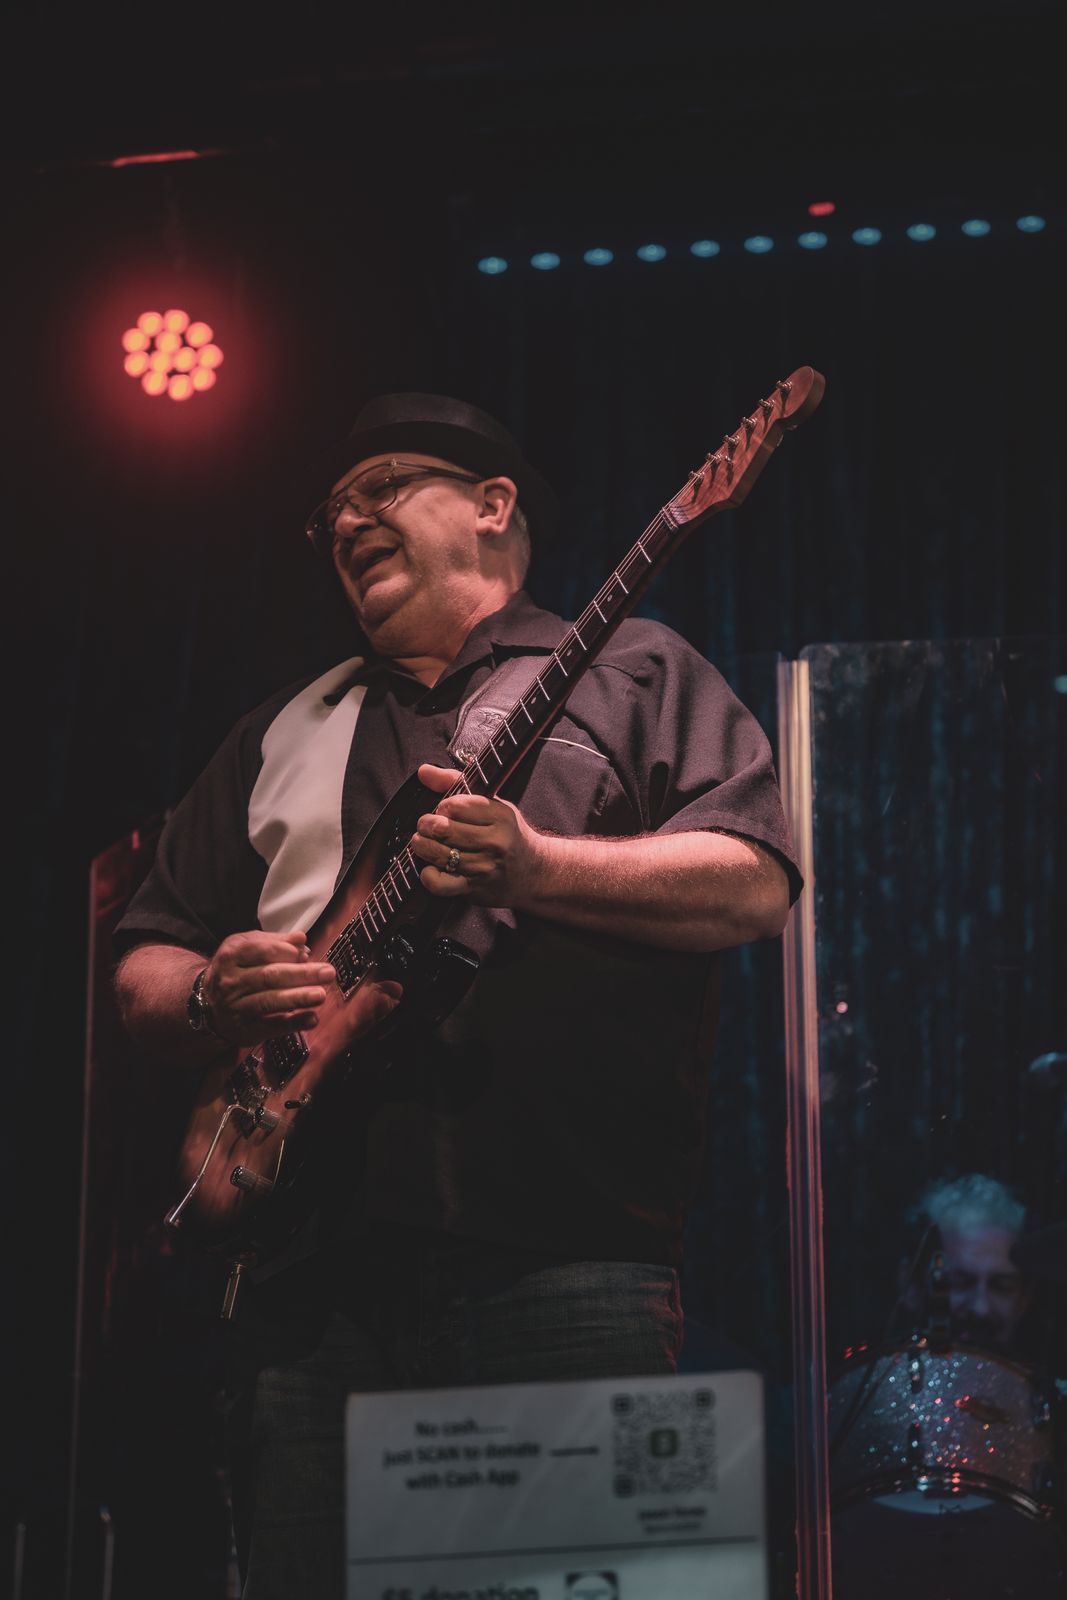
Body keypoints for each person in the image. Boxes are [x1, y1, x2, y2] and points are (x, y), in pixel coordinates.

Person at [113, 392, 802, 1598]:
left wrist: (540, 868)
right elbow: (143, 965)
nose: (345, 521)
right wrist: (214, 996)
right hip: (305, 1289)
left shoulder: (634, 667)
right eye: (330, 512)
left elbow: (752, 883)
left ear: (491, 505)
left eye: (381, 487)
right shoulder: (281, 728)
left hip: (565, 1265)